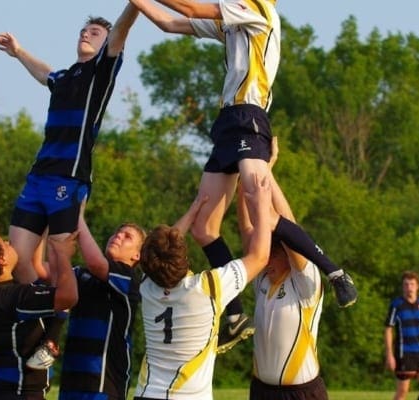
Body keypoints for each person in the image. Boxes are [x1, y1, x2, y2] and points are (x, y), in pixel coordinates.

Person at [128, 0, 357, 353]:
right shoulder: (232, 25)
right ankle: (234, 316)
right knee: (204, 227)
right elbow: (170, 24)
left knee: (258, 199)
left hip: (250, 118)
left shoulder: (257, 7)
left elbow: (192, 9)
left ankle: (335, 272)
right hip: (226, 124)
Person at [0, 4, 139, 368]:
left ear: (107, 44)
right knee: (20, 259)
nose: (85, 34)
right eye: (83, 31)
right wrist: (18, 52)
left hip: (69, 180)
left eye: (94, 32)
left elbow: (120, 30)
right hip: (38, 177)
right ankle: (41, 320)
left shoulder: (101, 72)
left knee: (61, 262)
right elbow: (45, 74)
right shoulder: (66, 76)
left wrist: (134, 6)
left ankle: (53, 340)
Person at [134, 173, 277, 400]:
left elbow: (160, 252)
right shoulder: (207, 288)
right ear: (183, 257)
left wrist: (192, 213)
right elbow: (260, 256)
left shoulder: (147, 287)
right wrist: (260, 205)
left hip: (147, 393)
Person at [237, 156, 328, 399]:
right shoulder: (264, 280)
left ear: (287, 255)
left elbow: (290, 228)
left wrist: (266, 171)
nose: (264, 261)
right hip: (261, 391)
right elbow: (247, 228)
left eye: (272, 255)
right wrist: (243, 174)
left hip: (301, 393)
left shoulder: (305, 283)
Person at [0, 228, 78, 400]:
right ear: (1, 260)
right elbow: (68, 297)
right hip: (18, 392)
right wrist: (63, 256)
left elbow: (33, 272)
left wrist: (42, 228)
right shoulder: (13, 298)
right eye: (5, 244)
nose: (10, 244)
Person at [58, 213, 146, 400]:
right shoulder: (82, 274)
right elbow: (46, 272)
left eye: (127, 236)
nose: (118, 236)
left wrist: (77, 214)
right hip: (71, 381)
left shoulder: (129, 279)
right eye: (117, 233)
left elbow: (97, 263)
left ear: (137, 255)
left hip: (104, 384)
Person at [384, 271, 419, 400]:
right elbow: (388, 329)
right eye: (406, 284)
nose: (409, 287)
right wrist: (389, 355)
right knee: (402, 392)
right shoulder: (397, 305)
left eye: (412, 284)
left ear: (417, 286)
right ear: (402, 287)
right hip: (403, 354)